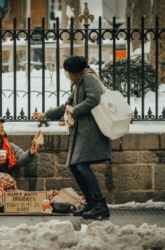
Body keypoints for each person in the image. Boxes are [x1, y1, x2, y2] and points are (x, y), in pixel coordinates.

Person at [33, 55, 112, 219]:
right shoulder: (79, 83)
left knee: (81, 166)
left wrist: (75, 111)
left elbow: (94, 99)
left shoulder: (89, 78)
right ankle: (91, 203)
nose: (66, 74)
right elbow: (66, 105)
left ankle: (100, 205)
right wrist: (46, 114)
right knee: (75, 166)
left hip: (91, 131)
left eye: (67, 71)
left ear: (73, 71)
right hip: (81, 131)